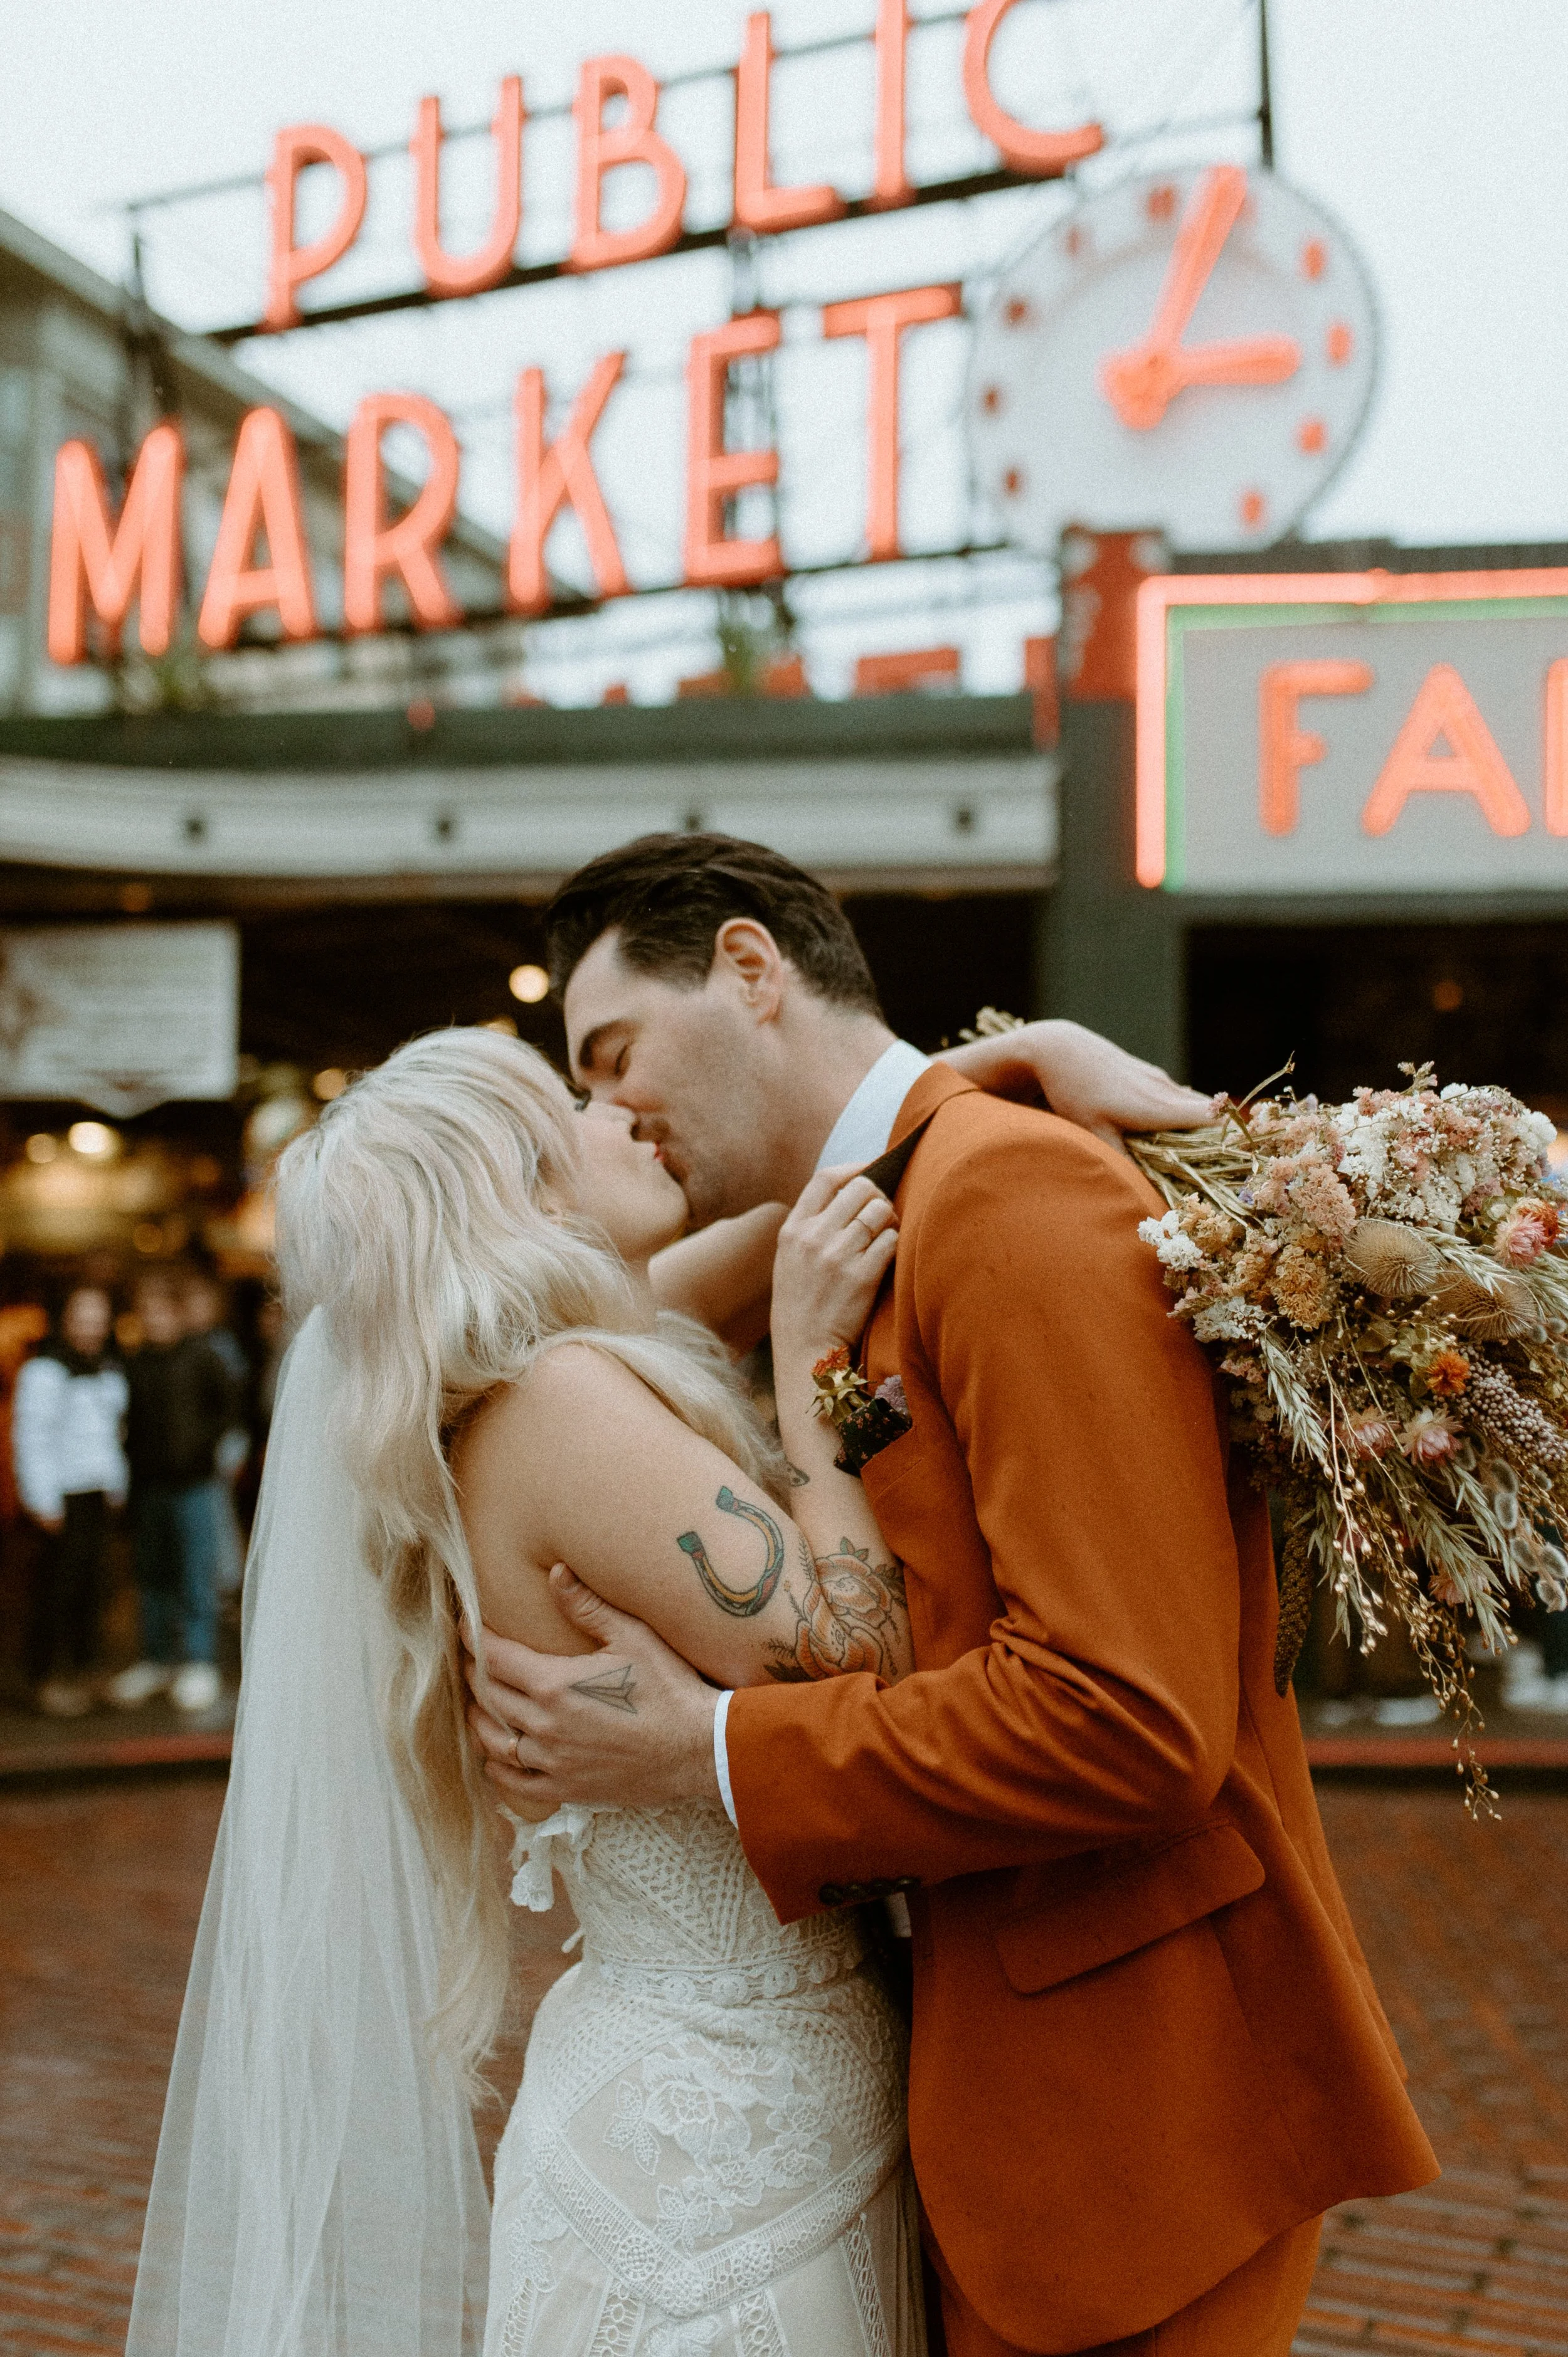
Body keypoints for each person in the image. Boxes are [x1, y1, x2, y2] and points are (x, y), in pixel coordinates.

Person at [467, 832, 1441, 2357]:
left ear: (747, 964)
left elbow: (1128, 1716)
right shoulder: (908, 1194)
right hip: (1008, 2101)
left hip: (1133, 2124)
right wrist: (1012, 1053)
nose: (615, 1110)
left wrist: (707, 1749)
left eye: (615, 1051)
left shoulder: (1005, 1200)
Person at [125, 1012, 1210, 2357]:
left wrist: (1000, 1062)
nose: (622, 1111)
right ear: (518, 1190)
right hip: (709, 2142)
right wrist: (812, 1377)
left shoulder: (562, 1360)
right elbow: (857, 1654)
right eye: (567, 1107)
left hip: (741, 2089)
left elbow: (828, 1180)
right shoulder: (563, 1402)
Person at [108, 1272, 240, 1715]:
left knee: (196, 1575)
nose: (155, 1319)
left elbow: (228, 1409)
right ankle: (157, 1660)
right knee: (152, 1576)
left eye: (163, 1311)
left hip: (194, 1484)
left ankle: (200, 1662)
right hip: (148, 1486)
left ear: (179, 1314)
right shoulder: (134, 1361)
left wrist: (204, 1448)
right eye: (148, 1312)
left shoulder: (203, 1356)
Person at [12, 1282, 127, 1717]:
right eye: (83, 1315)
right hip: (62, 1498)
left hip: (96, 1493)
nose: (91, 1326)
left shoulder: (108, 1368)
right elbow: (31, 1437)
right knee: (55, 1592)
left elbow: (112, 1435)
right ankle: (44, 1678)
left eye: (98, 1316)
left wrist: (117, 1484)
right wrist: (42, 1499)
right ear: (65, 1318)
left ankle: (86, 1671)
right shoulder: (44, 1372)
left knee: (92, 1589)